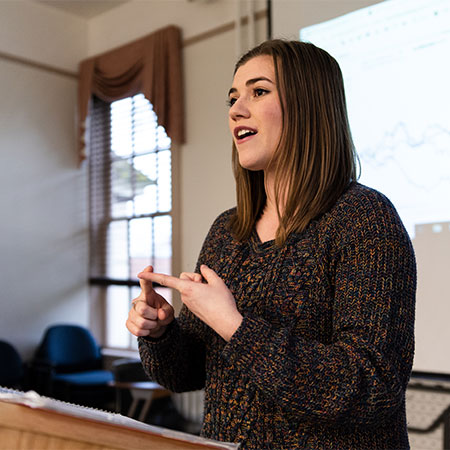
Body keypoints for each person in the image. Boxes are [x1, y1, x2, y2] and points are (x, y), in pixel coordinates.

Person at [126, 39, 416, 449]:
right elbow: (187, 375)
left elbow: (371, 387)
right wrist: (161, 333)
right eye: (233, 98)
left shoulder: (364, 219)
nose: (235, 109)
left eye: (258, 92)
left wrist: (233, 324)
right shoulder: (228, 231)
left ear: (307, 105)